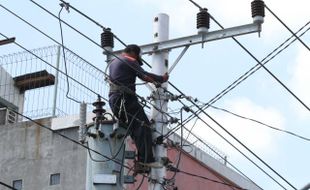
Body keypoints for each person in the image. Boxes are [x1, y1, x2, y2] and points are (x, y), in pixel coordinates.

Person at [108, 44, 169, 169]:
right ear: (134, 53)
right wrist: (161, 78)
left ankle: (142, 160)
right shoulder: (129, 60)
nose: (137, 61)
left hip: (114, 100)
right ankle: (145, 161)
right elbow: (145, 76)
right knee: (143, 126)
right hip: (125, 100)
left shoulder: (114, 61)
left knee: (136, 127)